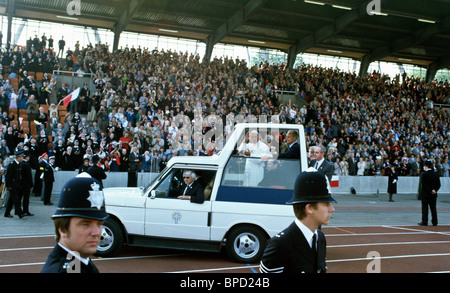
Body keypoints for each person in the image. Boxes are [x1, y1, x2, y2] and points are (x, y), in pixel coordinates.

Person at [260, 168, 336, 273]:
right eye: (326, 204)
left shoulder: (320, 238)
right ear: (309, 208)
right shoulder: (280, 245)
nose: (332, 209)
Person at [41, 173, 108, 273]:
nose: (97, 232)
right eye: (85, 224)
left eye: (99, 223)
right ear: (62, 229)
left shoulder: (79, 260)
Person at [418, 160, 441, 226]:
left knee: (425, 208)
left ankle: (424, 221)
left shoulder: (424, 174)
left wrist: (430, 190)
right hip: (433, 194)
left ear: (426, 166)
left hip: (426, 194)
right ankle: (435, 222)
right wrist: (434, 190)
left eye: (424, 166)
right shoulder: (435, 174)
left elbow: (424, 184)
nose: (423, 167)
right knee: (433, 208)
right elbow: (438, 184)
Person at [4, 150, 25, 218]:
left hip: (17, 185)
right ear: (18, 157)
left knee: (11, 200)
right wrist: (8, 185)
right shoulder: (12, 165)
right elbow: (8, 176)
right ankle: (20, 213)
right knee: (16, 200)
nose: (22, 158)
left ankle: (7, 213)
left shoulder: (18, 165)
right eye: (21, 157)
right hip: (12, 185)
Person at [20, 151, 34, 216]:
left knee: (19, 197)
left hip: (20, 183)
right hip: (26, 184)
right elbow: (29, 176)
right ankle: (25, 210)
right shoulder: (27, 165)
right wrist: (31, 184)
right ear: (27, 157)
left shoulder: (20, 163)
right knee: (26, 198)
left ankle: (19, 210)